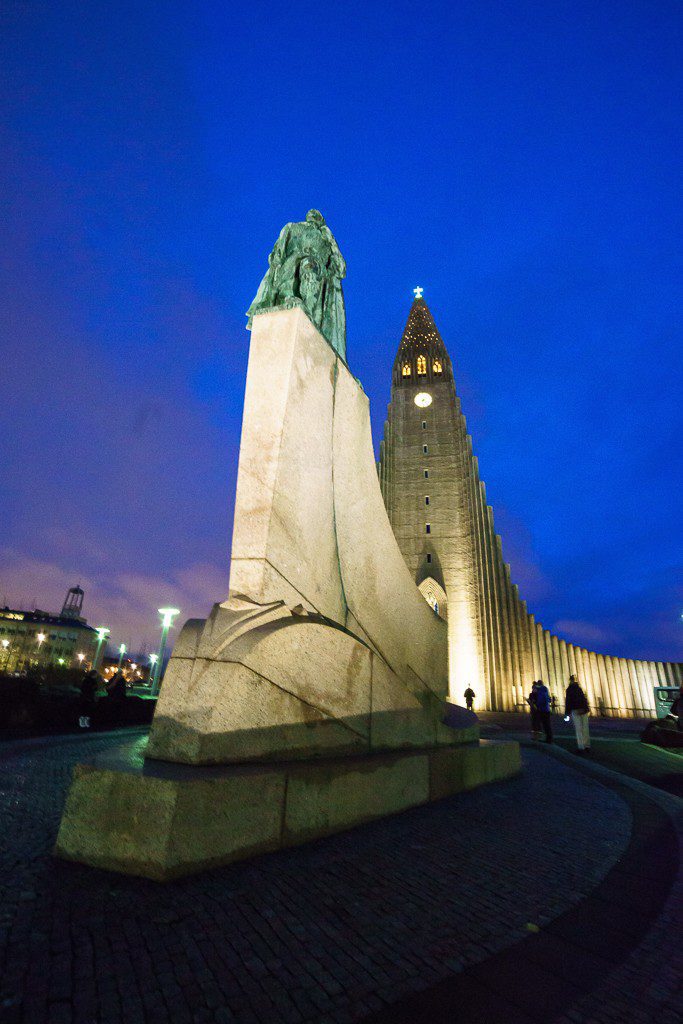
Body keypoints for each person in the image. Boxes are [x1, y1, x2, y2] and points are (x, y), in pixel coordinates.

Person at [564, 674, 591, 751]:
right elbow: (584, 699)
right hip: (583, 710)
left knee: (578, 729)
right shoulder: (580, 688)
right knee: (585, 728)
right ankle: (587, 745)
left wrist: (566, 714)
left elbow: (568, 702)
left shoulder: (569, 689)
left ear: (570, 681)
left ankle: (581, 746)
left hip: (575, 710)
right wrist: (586, 709)